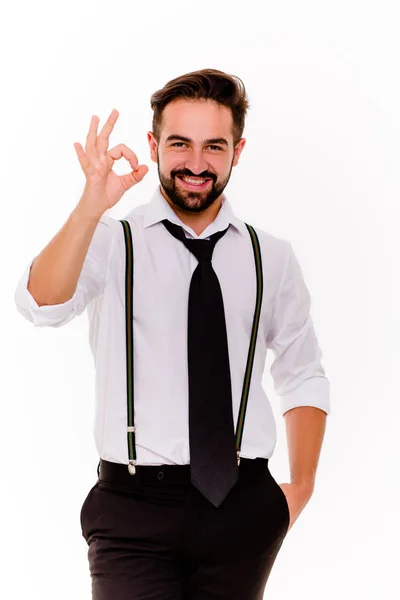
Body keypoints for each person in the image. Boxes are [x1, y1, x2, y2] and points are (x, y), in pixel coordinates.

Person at [14, 68, 330, 600]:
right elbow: (39, 304)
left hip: (241, 505)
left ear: (238, 150)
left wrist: (300, 487)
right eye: (180, 143)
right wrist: (91, 205)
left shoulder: (269, 256)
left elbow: (303, 374)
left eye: (215, 146)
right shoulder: (113, 241)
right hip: (132, 508)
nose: (196, 163)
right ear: (154, 144)